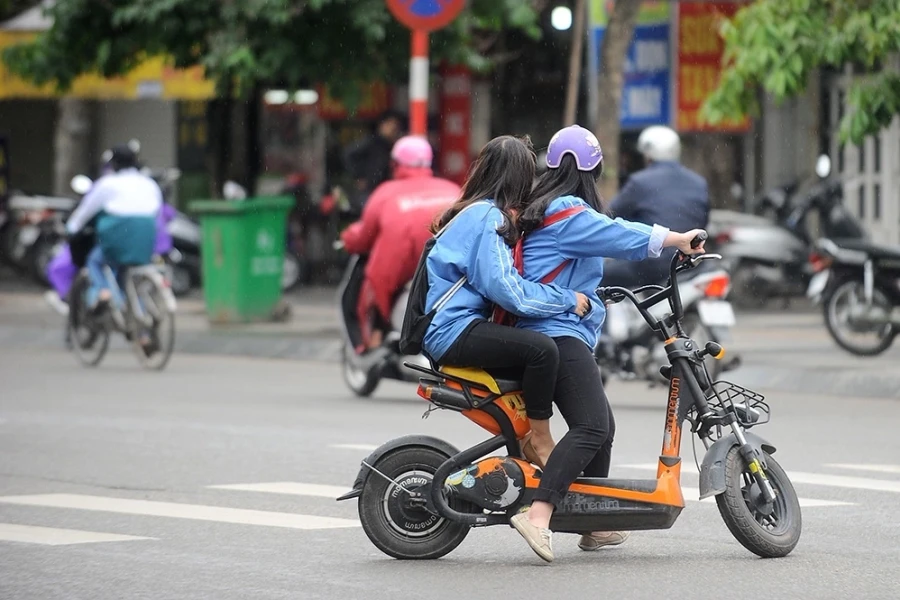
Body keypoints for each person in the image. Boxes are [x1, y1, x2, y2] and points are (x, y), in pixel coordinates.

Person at [507, 125, 706, 563]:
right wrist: (675, 239)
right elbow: (617, 234)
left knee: (603, 430)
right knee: (593, 427)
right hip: (554, 332)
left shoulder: (545, 209)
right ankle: (539, 513)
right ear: (592, 170)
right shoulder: (567, 211)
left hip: (553, 329)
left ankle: (591, 522)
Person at [423, 135, 591, 469]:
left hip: (461, 326)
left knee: (541, 362)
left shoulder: (475, 212)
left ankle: (522, 447)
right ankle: (539, 441)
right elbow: (508, 291)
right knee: (542, 350)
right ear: (517, 177)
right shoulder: (487, 217)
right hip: (454, 330)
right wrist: (566, 299)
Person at [340, 136, 461, 351]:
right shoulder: (453, 190)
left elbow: (364, 236)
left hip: (401, 264)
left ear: (395, 164)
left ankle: (372, 340)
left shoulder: (385, 193)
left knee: (376, 284)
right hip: (446, 264)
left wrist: (347, 237)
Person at [602, 125, 709, 289]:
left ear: (648, 154)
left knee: (597, 276)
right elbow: (703, 221)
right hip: (689, 262)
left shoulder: (640, 182)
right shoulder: (698, 182)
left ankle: (601, 315)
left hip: (651, 265)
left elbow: (608, 216)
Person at [65, 145, 162, 311]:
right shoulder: (149, 183)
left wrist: (71, 228)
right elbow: (156, 210)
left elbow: (85, 212)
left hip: (118, 239)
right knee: (131, 279)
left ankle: (103, 291)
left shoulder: (107, 184)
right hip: (145, 238)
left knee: (94, 261)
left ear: (114, 164)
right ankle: (143, 331)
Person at [343, 111, 404, 211]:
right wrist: (358, 176)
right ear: (382, 125)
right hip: (369, 190)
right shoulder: (370, 142)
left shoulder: (392, 145)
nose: (393, 130)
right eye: (391, 126)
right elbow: (348, 154)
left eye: (396, 128)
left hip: (385, 189)